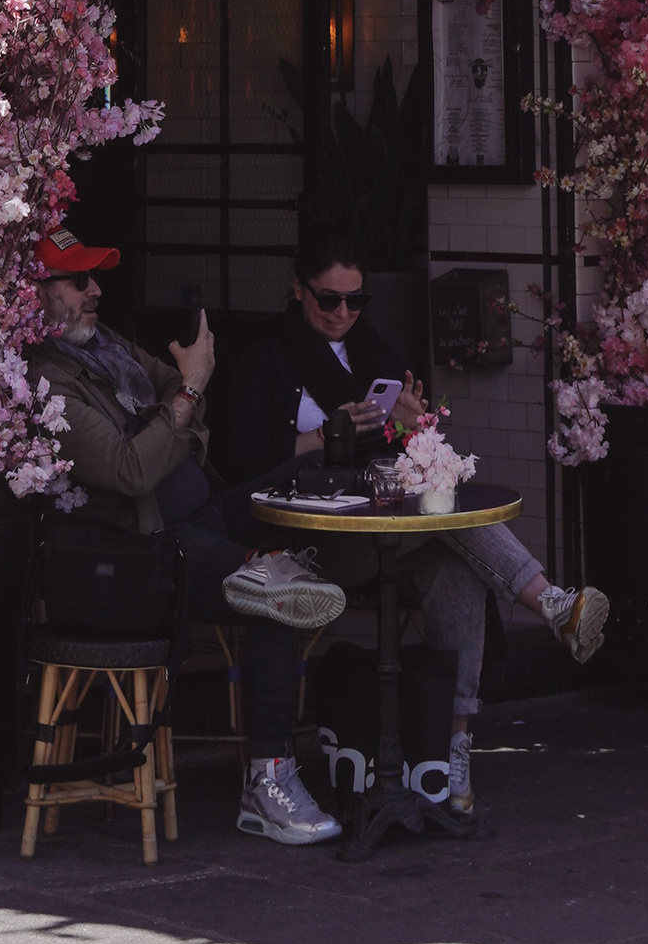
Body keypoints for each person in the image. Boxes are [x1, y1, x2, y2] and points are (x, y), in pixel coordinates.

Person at [219, 225, 607, 812]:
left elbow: (406, 451)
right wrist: (321, 437)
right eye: (328, 299)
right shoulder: (267, 357)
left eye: (355, 300)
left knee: (456, 567)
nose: (342, 312)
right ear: (298, 290)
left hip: (385, 522)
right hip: (310, 538)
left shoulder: (374, 348)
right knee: (444, 515)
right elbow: (242, 460)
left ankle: (450, 749)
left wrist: (409, 423)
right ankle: (549, 602)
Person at [26, 229, 358, 848]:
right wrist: (183, 401)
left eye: (93, 276)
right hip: (149, 546)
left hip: (206, 509)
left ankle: (325, 574)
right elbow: (130, 469)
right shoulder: (46, 383)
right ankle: (268, 782)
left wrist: (178, 412)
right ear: (35, 295)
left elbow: (191, 414)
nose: (96, 290)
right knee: (276, 597)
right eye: (79, 281)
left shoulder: (108, 346)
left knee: (321, 481)